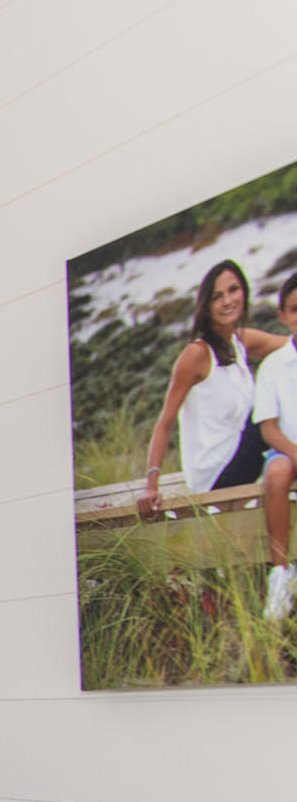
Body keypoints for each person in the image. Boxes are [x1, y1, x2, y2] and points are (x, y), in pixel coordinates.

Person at [139, 259, 283, 520]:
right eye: (217, 297)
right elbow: (165, 422)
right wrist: (151, 487)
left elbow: (289, 346)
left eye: (233, 290)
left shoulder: (239, 342)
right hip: (216, 477)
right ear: (206, 307)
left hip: (244, 459)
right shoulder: (196, 355)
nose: (228, 301)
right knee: (273, 408)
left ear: (245, 292)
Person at [253, 272, 297, 619]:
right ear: (283, 316)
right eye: (295, 309)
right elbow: (268, 428)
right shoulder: (273, 365)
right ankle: (280, 574)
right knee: (278, 470)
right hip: (287, 450)